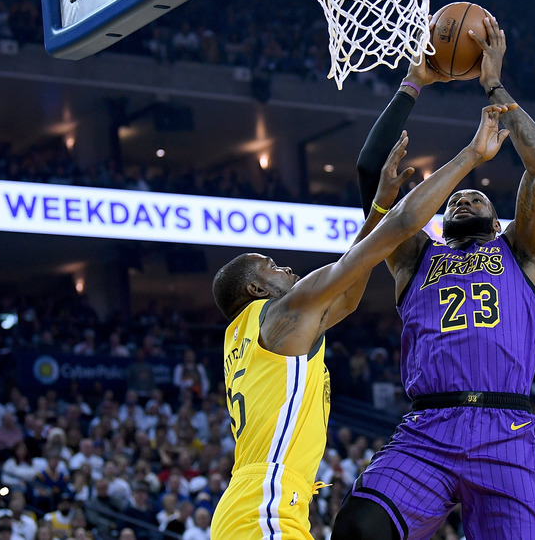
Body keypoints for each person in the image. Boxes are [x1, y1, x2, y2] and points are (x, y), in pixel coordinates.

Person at [209, 103, 514, 539]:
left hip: (256, 502)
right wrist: (470, 156)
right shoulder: (284, 312)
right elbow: (403, 227)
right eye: (271, 266)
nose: (285, 269)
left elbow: (349, 296)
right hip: (266, 503)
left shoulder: (247, 334)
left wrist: (377, 205)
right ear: (257, 290)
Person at [334, 14, 535, 539]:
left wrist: (493, 84)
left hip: (505, 430)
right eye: (456, 197)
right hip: (427, 428)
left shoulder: (522, 252)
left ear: (501, 219)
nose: (463, 195)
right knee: (359, 529)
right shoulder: (415, 255)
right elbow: (372, 176)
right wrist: (414, 82)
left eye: (476, 194)